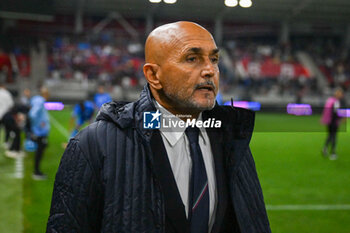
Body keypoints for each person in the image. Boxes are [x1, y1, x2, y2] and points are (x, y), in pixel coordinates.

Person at [47, 22, 270, 233]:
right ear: (153, 75)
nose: (210, 70)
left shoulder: (232, 138)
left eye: (214, 59)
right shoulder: (94, 145)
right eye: (192, 59)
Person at [29, 86, 50, 180]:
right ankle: (36, 172)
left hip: (39, 131)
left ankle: (37, 171)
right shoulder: (40, 101)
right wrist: (38, 125)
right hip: (40, 132)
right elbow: (32, 114)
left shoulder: (37, 100)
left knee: (41, 150)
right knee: (39, 152)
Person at [321, 88, 344, 160]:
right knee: (334, 136)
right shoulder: (336, 102)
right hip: (333, 121)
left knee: (330, 135)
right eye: (340, 94)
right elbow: (336, 112)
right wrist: (340, 119)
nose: (341, 95)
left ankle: (325, 148)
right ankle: (333, 153)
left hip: (328, 121)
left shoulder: (330, 100)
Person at [0, 81, 14, 149]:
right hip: (5, 115)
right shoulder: (7, 93)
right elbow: (11, 104)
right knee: (7, 129)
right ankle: (6, 142)